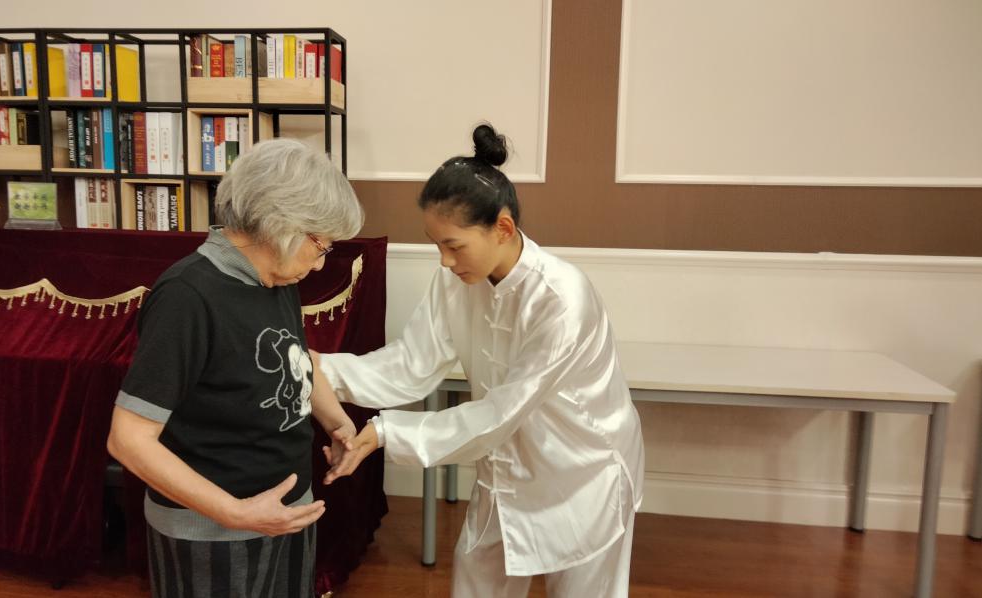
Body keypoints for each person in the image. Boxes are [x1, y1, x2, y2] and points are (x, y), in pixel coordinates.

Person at [313, 123, 645, 597]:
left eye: (453, 245)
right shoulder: (456, 279)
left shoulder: (562, 300)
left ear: (503, 229)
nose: (444, 261)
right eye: (436, 245)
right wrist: (318, 369)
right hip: (503, 465)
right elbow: (411, 363)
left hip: (583, 472)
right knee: (477, 581)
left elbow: (499, 413)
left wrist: (384, 432)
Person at [107, 138, 364, 598]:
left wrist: (337, 423)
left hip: (285, 514)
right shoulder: (187, 296)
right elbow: (128, 439)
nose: (320, 264)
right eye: (321, 246)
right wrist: (235, 513)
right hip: (212, 532)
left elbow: (298, 360)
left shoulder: (276, 279)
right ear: (282, 225)